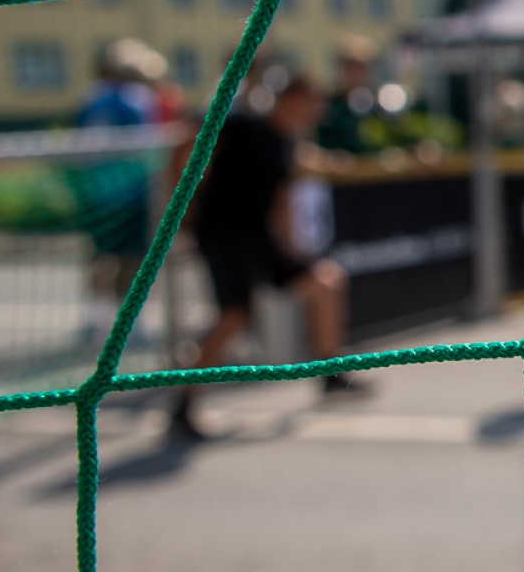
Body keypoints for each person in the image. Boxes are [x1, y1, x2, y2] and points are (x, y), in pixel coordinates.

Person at [169, 71, 361, 440]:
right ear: (291, 100)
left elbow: (281, 197)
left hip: (260, 238)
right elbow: (185, 142)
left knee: (326, 281)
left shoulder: (286, 142)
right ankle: (183, 403)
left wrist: (291, 246)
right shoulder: (245, 125)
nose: (317, 112)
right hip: (224, 235)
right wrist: (182, 199)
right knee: (234, 317)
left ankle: (330, 372)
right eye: (312, 103)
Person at [75, 39, 167, 341]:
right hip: (132, 193)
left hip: (97, 192)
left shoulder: (90, 97)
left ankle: (96, 318)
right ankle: (129, 320)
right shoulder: (137, 99)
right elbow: (149, 147)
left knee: (101, 256)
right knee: (131, 258)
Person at [316, 36, 380, 156]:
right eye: (348, 67)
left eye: (359, 68)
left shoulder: (378, 109)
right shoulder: (324, 106)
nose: (354, 74)